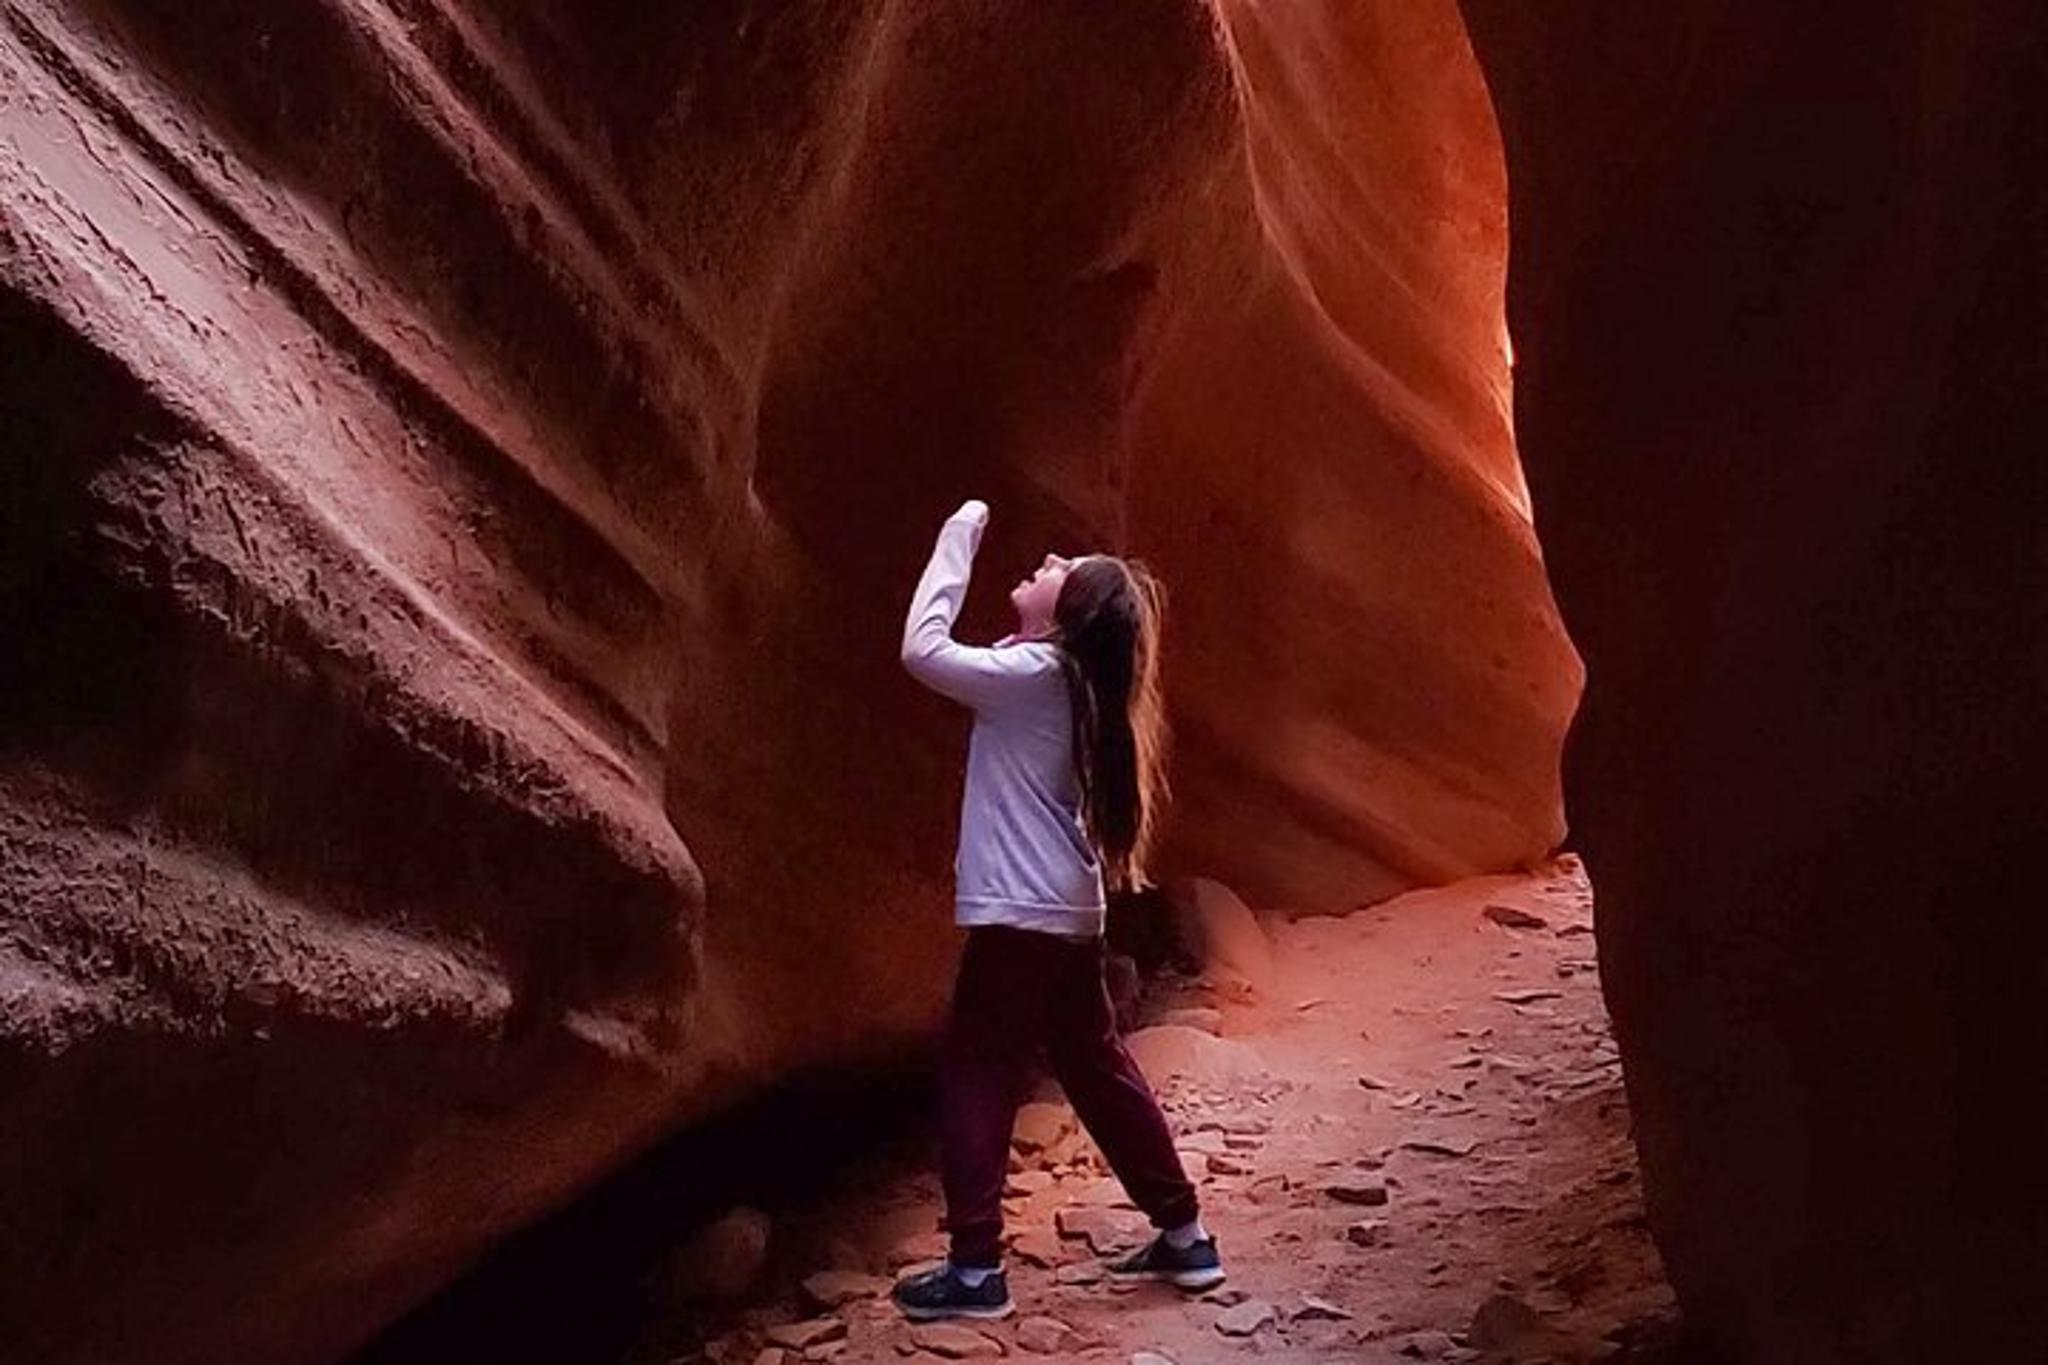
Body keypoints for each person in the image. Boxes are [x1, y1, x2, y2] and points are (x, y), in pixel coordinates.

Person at [891, 498, 1223, 1322]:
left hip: (1019, 915)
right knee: (1094, 1063)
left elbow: (923, 650)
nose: (1042, 565)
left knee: (978, 1062)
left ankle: (974, 1270)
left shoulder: (1036, 678)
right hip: (1068, 912)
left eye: (1056, 573)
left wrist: (955, 533)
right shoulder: (1067, 682)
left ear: (1066, 617)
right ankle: (1185, 1235)